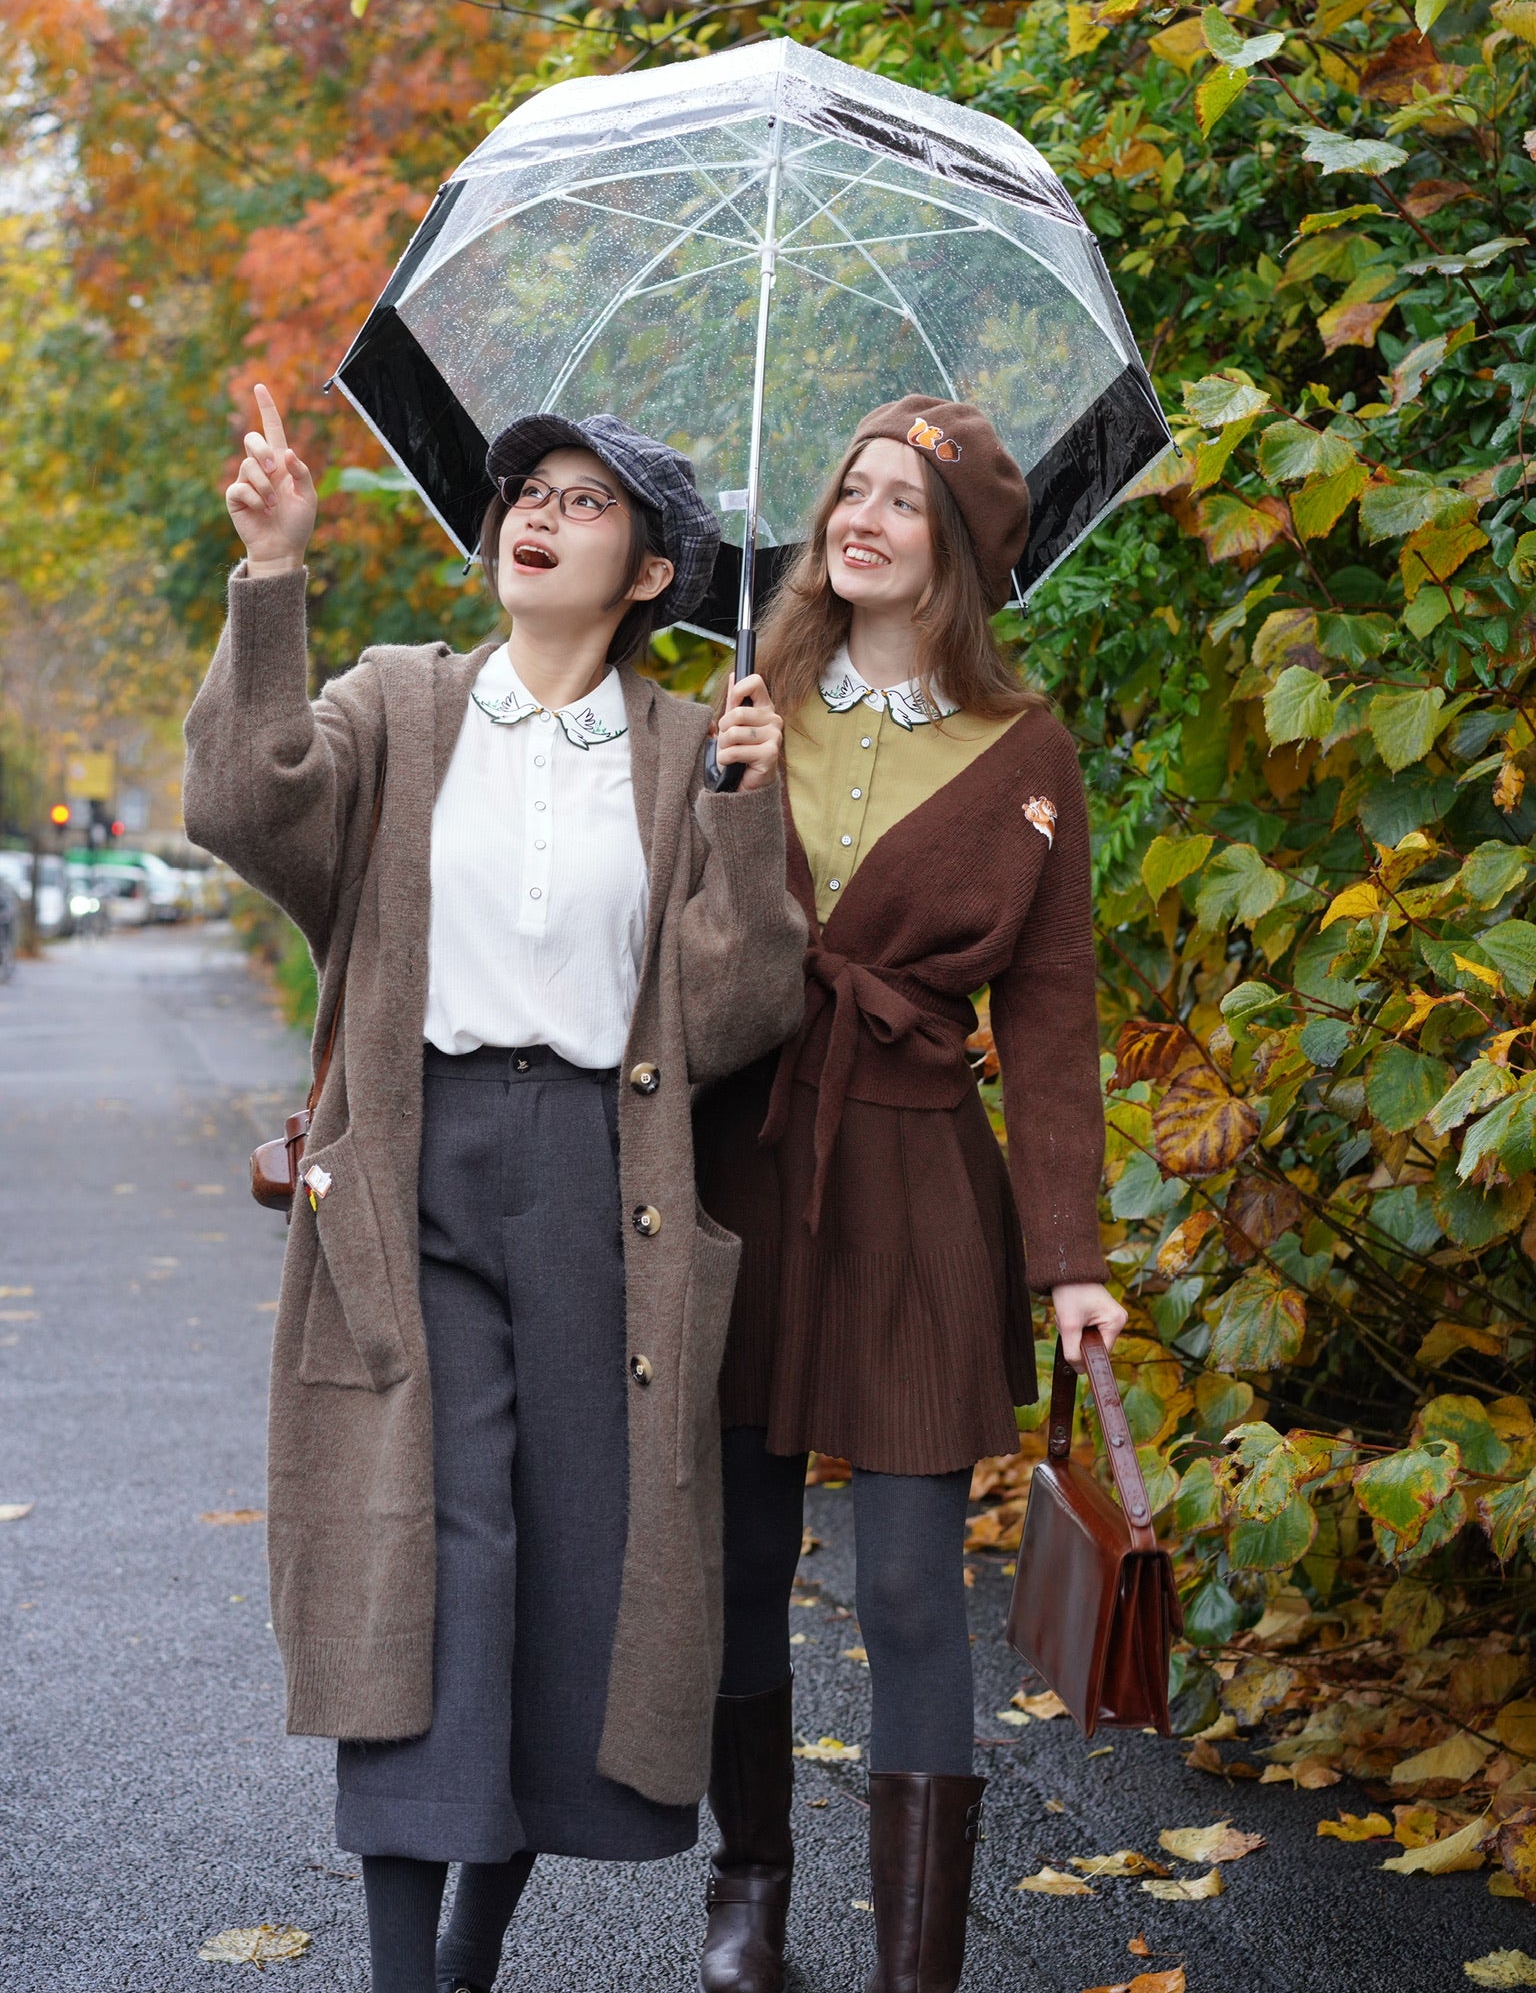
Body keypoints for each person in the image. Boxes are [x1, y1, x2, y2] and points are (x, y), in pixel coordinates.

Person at [183, 387, 807, 1993]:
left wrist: (750, 820)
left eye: (587, 502)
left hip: (610, 1188)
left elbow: (736, 1015)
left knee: (574, 1565)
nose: (536, 511)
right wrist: (272, 575)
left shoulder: (688, 750)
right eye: (527, 488)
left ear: (655, 573)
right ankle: (406, 1979)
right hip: (415, 1169)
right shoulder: (399, 701)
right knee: (427, 1562)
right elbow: (246, 808)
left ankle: (472, 1951)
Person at [693, 395, 1127, 1993]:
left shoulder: (1029, 755)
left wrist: (1069, 1253)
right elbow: (671, 944)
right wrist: (727, 799)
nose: (858, 518)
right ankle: (748, 1895)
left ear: (960, 551)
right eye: (849, 491)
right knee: (739, 1560)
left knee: (902, 1586)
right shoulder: (749, 702)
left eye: (901, 501)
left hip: (922, 1176)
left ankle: (912, 1969)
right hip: (746, 1158)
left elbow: (1057, 1011)